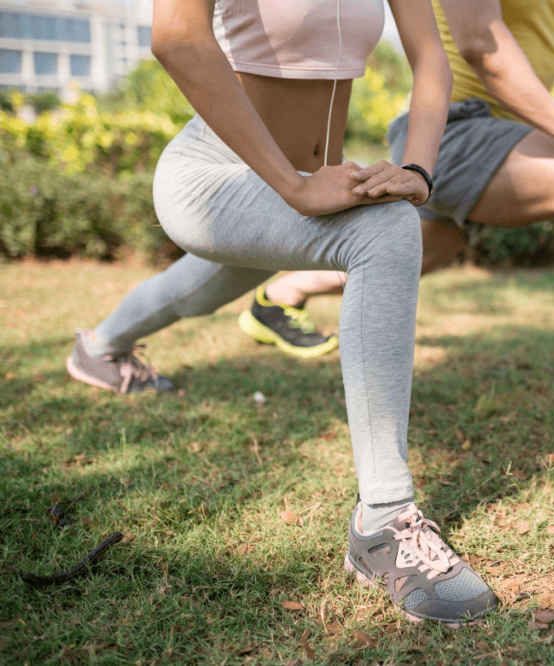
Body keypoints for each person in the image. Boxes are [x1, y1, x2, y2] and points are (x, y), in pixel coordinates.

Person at [66, 0, 497, 626]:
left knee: (201, 290)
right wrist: (293, 187)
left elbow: (431, 57)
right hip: (213, 178)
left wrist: (419, 172)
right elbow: (176, 38)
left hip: (297, 185)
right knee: (385, 231)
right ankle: (382, 520)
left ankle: (101, 346)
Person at [236, 0, 554, 457]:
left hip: (507, 138)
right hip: (450, 131)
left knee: (429, 245)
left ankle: (279, 297)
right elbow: (479, 40)